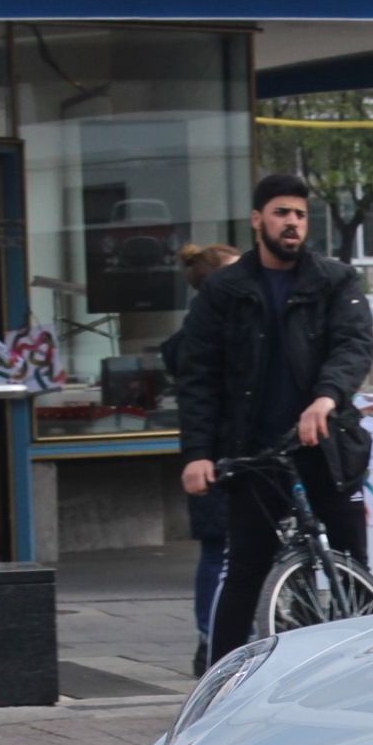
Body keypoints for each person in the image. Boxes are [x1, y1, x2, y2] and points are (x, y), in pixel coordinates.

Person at [176, 172, 373, 657]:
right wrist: (198, 453)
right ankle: (218, 683)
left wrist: (325, 399)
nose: (292, 224)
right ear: (257, 220)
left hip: (325, 447)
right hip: (257, 452)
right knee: (246, 567)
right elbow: (197, 377)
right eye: (282, 213)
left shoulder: (335, 281)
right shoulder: (225, 291)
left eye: (300, 216)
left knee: (352, 569)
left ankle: (366, 666)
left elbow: (353, 346)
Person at [160, 242, 240, 673]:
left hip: (235, 452)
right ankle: (210, 635)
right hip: (216, 455)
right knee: (218, 549)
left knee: (228, 548)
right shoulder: (203, 332)